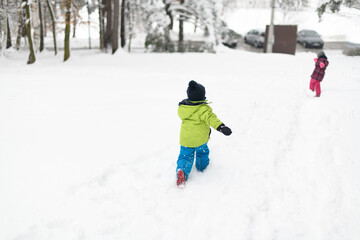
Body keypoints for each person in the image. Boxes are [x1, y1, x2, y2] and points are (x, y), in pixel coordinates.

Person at [176, 80, 232, 187]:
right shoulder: (203, 109)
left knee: (185, 156)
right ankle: (202, 168)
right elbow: (212, 119)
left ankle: (182, 170)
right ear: (202, 96)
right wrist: (221, 127)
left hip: (186, 140)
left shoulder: (183, 108)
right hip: (200, 140)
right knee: (202, 153)